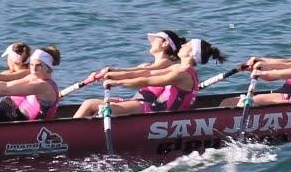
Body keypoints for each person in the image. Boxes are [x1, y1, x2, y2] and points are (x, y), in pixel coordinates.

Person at [71, 32, 225, 118]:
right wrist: (113, 73)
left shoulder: (183, 74)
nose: (183, 45)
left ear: (191, 53)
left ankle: (73, 136)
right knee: (91, 103)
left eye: (186, 45)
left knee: (95, 106)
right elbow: (148, 72)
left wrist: (117, 82)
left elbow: (148, 79)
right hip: (153, 110)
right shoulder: (179, 68)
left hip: (155, 115)